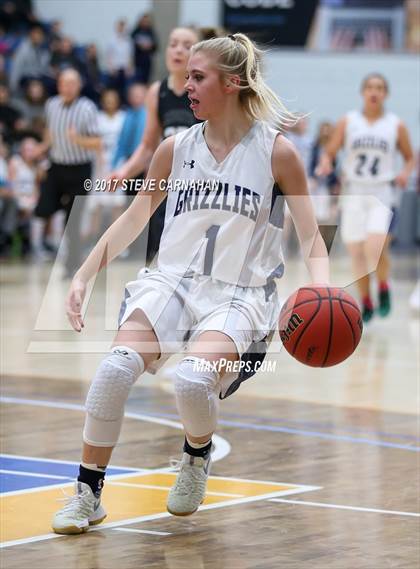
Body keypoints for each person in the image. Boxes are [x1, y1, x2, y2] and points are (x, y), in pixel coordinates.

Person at [51, 33, 330, 535]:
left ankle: (195, 457)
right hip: (171, 280)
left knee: (193, 379)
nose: (186, 87)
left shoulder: (277, 153)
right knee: (113, 370)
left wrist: (324, 292)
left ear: (233, 82)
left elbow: (312, 235)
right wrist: (85, 272)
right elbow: (138, 216)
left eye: (197, 77)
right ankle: (87, 495)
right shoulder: (175, 148)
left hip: (239, 295)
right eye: (185, 77)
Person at [317, 73, 414, 322]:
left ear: (386, 94)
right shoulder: (349, 121)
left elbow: (410, 156)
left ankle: (383, 286)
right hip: (353, 192)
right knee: (356, 252)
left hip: (382, 191)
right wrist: (327, 163)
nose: (374, 91)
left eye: (380, 88)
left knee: (374, 247)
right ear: (363, 92)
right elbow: (330, 151)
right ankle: (366, 300)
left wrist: (404, 172)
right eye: (370, 87)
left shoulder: (395, 124)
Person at [110, 26, 201, 262]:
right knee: (159, 260)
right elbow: (148, 145)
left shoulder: (205, 90)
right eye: (173, 44)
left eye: (187, 45)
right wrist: (124, 172)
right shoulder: (156, 92)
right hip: (169, 186)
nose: (178, 50)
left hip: (202, 187)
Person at [35, 68, 101, 278]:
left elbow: (97, 142)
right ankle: (46, 245)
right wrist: (42, 149)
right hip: (56, 166)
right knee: (42, 209)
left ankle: (72, 265)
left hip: (79, 169)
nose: (68, 87)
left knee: (72, 219)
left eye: (72, 83)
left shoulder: (87, 108)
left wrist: (77, 139)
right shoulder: (51, 104)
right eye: (64, 82)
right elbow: (50, 132)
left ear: (79, 86)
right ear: (59, 84)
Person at [131, 13, 158, 83]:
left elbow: (156, 47)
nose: (145, 23)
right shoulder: (135, 32)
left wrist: (150, 46)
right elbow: (130, 45)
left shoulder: (151, 32)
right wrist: (140, 45)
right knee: (136, 80)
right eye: (144, 21)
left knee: (146, 81)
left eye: (147, 21)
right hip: (137, 61)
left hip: (147, 61)